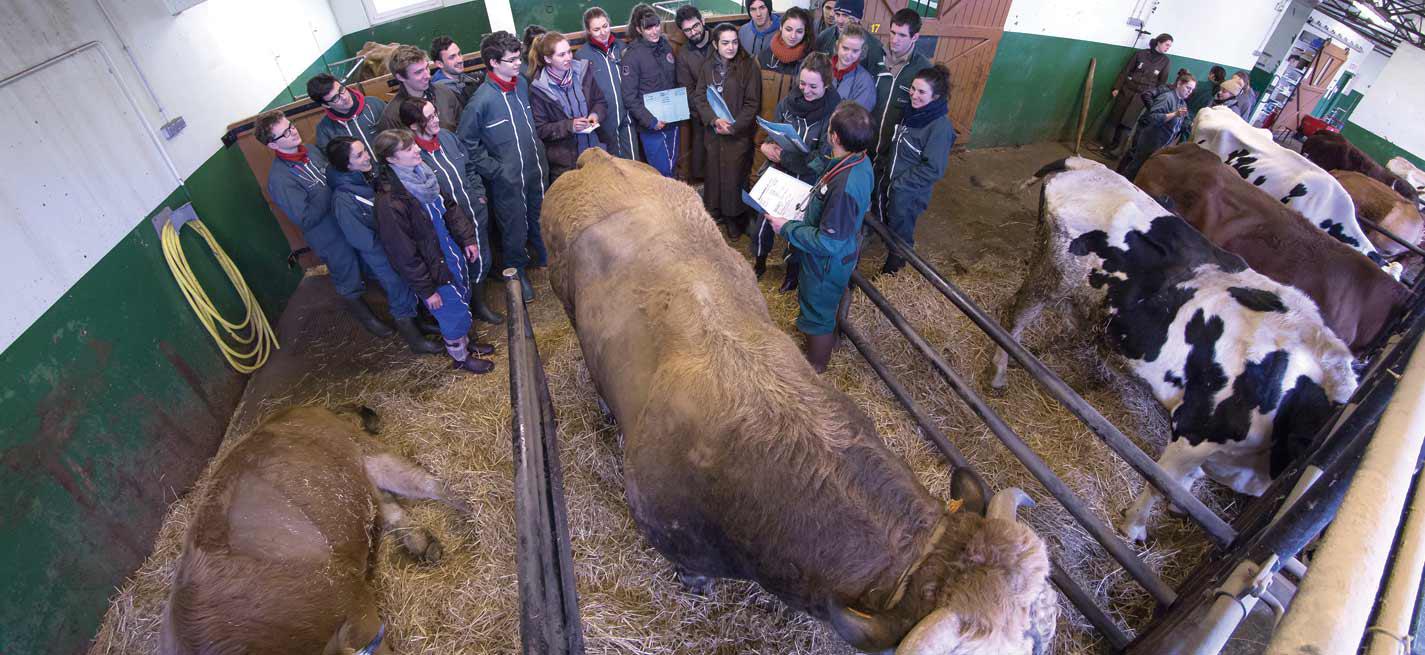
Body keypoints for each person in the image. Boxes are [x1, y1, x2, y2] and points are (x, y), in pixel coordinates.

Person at [255, 110, 391, 337]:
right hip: (327, 234)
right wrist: (331, 190)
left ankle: (392, 303)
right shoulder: (280, 179)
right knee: (346, 273)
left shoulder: (310, 150)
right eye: (284, 134)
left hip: (348, 219)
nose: (292, 132)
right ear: (272, 145)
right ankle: (367, 318)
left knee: (370, 261)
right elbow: (304, 217)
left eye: (290, 126)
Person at [372, 129, 495, 374]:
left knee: (462, 299)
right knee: (451, 313)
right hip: (433, 267)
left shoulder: (424, 175)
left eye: (413, 145)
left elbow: (449, 207)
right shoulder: (390, 202)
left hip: (450, 254)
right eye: (407, 149)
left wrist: (468, 239)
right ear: (391, 159)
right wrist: (426, 290)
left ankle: (467, 345)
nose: (417, 149)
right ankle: (460, 358)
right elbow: (403, 253)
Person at [766, 101, 875, 372]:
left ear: (834, 137)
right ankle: (823, 345)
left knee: (818, 314)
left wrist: (786, 228)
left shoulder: (846, 185)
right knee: (821, 308)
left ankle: (816, 367)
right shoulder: (856, 160)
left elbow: (830, 242)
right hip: (832, 257)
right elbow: (826, 168)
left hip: (826, 264)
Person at [324, 136, 443, 354]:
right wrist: (391, 242)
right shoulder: (343, 198)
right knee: (398, 293)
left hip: (394, 247)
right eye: (359, 155)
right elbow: (360, 238)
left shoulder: (365, 178)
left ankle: (420, 324)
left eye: (365, 150)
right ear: (346, 165)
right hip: (381, 255)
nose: (367, 156)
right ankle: (415, 341)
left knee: (410, 285)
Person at [457, 30, 549, 302]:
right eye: (511, 60)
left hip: (535, 170)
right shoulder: (481, 102)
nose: (518, 63)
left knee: (540, 216)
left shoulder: (520, 84)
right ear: (493, 63)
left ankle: (545, 257)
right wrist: (497, 171)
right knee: (514, 228)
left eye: (518, 57)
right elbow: (466, 144)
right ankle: (517, 272)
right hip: (508, 181)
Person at [398, 97, 503, 324]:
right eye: (429, 118)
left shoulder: (447, 138)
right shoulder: (414, 156)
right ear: (414, 126)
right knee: (458, 265)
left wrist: (478, 194)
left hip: (473, 210)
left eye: (435, 114)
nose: (436, 120)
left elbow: (469, 167)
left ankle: (480, 303)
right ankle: (465, 310)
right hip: (448, 224)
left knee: (481, 256)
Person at [753, 53, 841, 291]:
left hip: (809, 180)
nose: (806, 90)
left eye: (813, 86)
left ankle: (792, 273)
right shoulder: (787, 103)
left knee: (798, 227)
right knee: (765, 219)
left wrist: (783, 156)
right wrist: (768, 145)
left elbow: (820, 160)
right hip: (781, 172)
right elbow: (774, 132)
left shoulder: (834, 114)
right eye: (802, 83)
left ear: (827, 84)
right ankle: (759, 261)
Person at [875, 63, 954, 275]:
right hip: (891, 182)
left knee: (902, 229)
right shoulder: (911, 112)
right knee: (889, 219)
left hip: (908, 192)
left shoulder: (939, 127)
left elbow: (934, 168)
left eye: (921, 92)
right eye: (912, 88)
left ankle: (895, 267)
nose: (914, 95)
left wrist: (900, 185)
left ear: (935, 96)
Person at [691, 22, 761, 238]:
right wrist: (713, 120)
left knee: (733, 177)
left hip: (736, 135)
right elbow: (699, 97)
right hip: (714, 133)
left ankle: (733, 218)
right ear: (715, 44)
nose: (730, 47)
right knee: (713, 175)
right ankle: (716, 213)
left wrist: (733, 127)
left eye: (734, 42)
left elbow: (752, 104)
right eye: (725, 43)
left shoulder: (748, 66)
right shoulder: (707, 66)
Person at [528, 31, 608, 180]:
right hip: (567, 164)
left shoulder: (583, 72)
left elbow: (600, 102)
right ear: (547, 59)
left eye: (569, 52)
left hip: (595, 153)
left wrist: (595, 115)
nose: (568, 58)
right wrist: (570, 126)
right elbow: (540, 129)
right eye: (561, 55)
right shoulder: (539, 90)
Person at [621, 3, 680, 178]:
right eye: (648, 28)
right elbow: (629, 97)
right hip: (652, 126)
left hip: (672, 121)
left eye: (656, 25)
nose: (654, 31)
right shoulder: (632, 56)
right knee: (661, 173)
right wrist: (651, 121)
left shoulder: (666, 46)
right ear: (639, 29)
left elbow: (674, 82)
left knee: (672, 166)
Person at [576, 6, 638, 160]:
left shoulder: (621, 47)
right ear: (589, 31)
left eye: (605, 26)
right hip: (603, 122)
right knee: (611, 168)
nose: (603, 32)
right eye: (596, 29)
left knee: (633, 164)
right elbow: (583, 93)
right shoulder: (582, 56)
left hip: (627, 117)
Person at [872, 9, 933, 161]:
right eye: (893, 32)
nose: (894, 39)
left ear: (915, 37)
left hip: (894, 151)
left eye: (902, 35)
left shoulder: (923, 68)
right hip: (863, 141)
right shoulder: (874, 55)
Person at [1100, 33, 1172, 157]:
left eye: (1169, 46)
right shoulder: (1141, 54)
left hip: (1142, 96)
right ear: (1159, 42)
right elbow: (1126, 70)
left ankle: (1117, 151)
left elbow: (1161, 82)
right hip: (1127, 90)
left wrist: (1154, 99)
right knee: (1116, 118)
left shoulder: (1165, 61)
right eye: (1166, 44)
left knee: (1128, 122)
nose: (1168, 48)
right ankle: (1109, 145)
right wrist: (1117, 87)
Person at [1118, 70, 1195, 180]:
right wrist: (1174, 114)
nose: (1189, 92)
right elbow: (1153, 117)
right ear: (1179, 83)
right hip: (1150, 140)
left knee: (1140, 170)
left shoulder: (1182, 103)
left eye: (1192, 90)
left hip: (1160, 144)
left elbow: (1181, 122)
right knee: (1134, 166)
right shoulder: (1167, 97)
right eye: (1188, 88)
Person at [377, 45, 463, 132]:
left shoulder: (444, 92)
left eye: (426, 67)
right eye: (418, 72)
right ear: (400, 77)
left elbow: (462, 130)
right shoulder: (392, 116)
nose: (428, 76)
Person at [675, 5, 712, 183]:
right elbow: (686, 91)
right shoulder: (683, 55)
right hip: (702, 115)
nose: (693, 32)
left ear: (702, 21)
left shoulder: (721, 39)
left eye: (696, 26)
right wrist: (707, 114)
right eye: (687, 30)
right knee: (703, 166)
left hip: (731, 110)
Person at [756, 6, 813, 121]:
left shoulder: (810, 62)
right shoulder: (763, 57)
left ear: (805, 32)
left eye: (799, 31)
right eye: (788, 29)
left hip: (792, 129)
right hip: (762, 127)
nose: (793, 36)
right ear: (781, 27)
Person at [309, 73, 386, 152]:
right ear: (326, 105)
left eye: (341, 89)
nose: (344, 97)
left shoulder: (375, 104)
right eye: (335, 98)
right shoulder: (325, 131)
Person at [814, 0, 883, 75]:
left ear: (857, 18)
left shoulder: (874, 46)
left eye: (845, 15)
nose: (840, 21)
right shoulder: (824, 36)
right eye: (837, 14)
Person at [830, 24, 876, 111]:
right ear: (837, 46)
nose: (849, 55)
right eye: (845, 48)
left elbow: (857, 117)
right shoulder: (823, 68)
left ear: (862, 52)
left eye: (855, 51)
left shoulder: (865, 82)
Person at [430, 36, 482, 105]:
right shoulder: (439, 95)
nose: (460, 60)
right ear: (440, 64)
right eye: (452, 57)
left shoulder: (469, 80)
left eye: (459, 54)